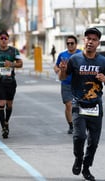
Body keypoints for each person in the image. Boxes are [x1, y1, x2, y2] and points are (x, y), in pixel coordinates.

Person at [59, 27, 105, 181]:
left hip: (96, 106)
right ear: (84, 40)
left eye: (94, 39)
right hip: (79, 104)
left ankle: (86, 167)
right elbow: (62, 77)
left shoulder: (103, 61)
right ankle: (78, 158)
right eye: (88, 39)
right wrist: (62, 70)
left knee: (93, 142)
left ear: (98, 43)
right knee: (79, 137)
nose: (90, 42)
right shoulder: (75, 59)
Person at [0, 30, 23, 139]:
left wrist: (11, 64)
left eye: (5, 38)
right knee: (2, 102)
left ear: (8, 39)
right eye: (1, 38)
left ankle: (6, 121)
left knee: (9, 104)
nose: (3, 40)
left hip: (10, 81)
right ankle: (4, 128)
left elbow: (20, 64)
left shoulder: (14, 51)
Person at [54, 35, 82, 134]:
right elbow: (56, 67)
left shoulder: (81, 54)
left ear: (76, 44)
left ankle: (80, 124)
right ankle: (71, 126)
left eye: (72, 43)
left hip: (79, 84)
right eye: (68, 43)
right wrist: (60, 70)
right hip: (66, 84)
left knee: (79, 106)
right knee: (68, 105)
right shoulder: (62, 55)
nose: (70, 45)